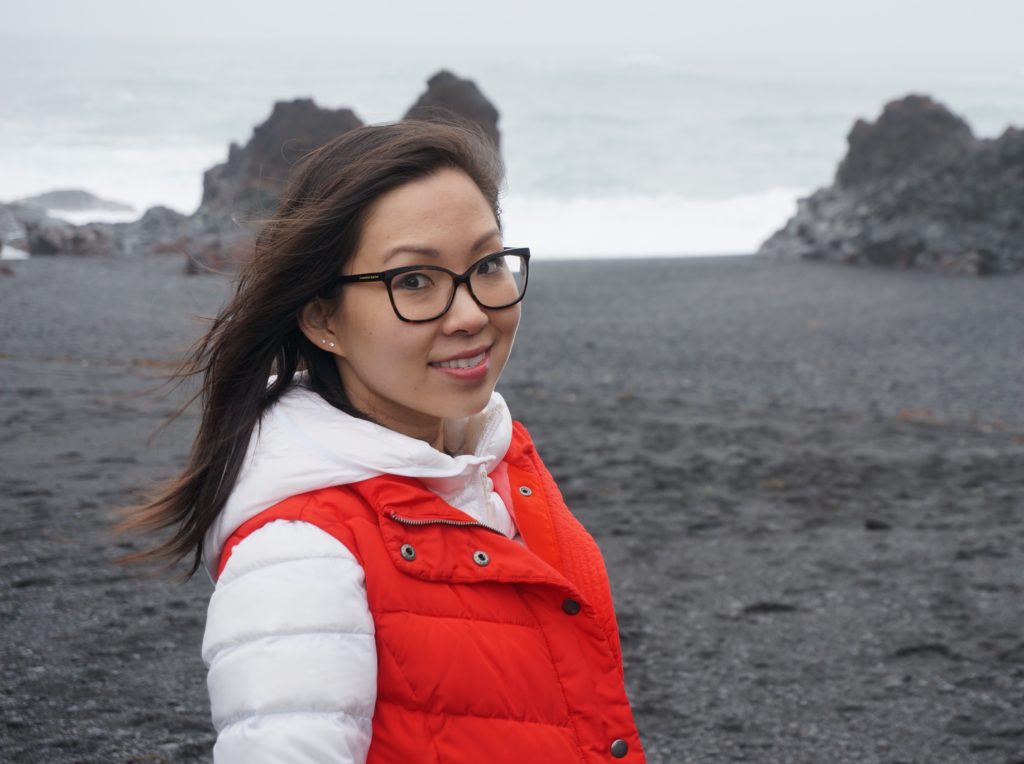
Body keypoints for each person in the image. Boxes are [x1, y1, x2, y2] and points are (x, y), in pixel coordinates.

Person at [124, 120, 646, 763]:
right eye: (413, 282)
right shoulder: (298, 555)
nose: (471, 315)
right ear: (322, 319)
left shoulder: (498, 463)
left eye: (486, 265)